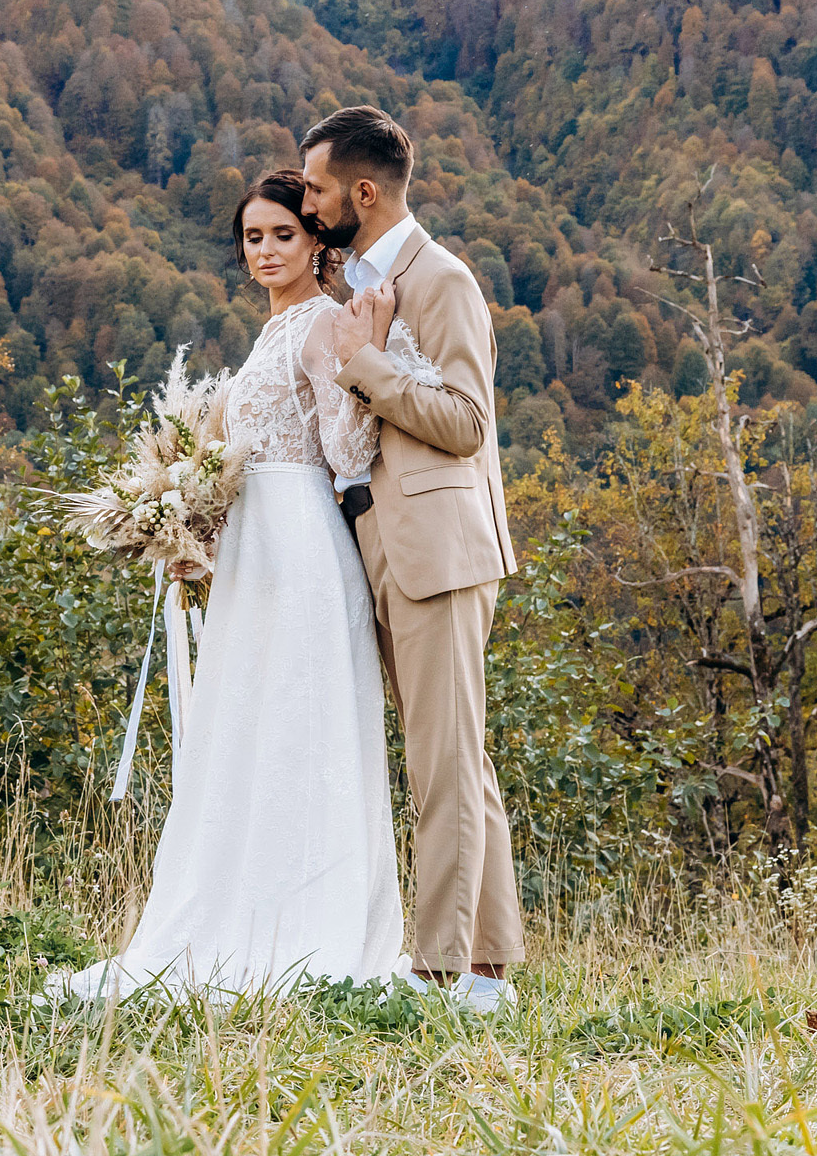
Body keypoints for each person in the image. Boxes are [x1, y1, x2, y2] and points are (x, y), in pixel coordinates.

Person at [53, 169, 409, 1001]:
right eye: (252, 238)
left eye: (282, 234)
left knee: (299, 724)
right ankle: (236, 910)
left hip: (304, 550)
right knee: (249, 727)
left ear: (316, 238)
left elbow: (345, 450)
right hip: (254, 549)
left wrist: (368, 352)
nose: (265, 251)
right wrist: (195, 526)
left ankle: (305, 928)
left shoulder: (323, 322)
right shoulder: (272, 331)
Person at [301, 104, 525, 1015]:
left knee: (442, 765)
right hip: (386, 545)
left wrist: (364, 363)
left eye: (316, 188)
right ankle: (487, 968)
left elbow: (468, 424)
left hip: (442, 552)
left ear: (363, 191)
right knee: (458, 762)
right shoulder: (366, 284)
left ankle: (439, 972)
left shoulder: (444, 281)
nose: (309, 204)